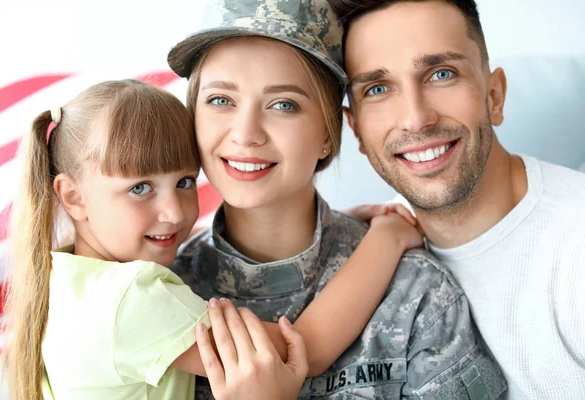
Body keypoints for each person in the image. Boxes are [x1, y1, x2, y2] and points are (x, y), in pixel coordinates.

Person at [0, 78, 424, 400]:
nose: (175, 212)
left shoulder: (67, 277)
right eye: (140, 188)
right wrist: (386, 238)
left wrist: (339, 221)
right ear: (72, 196)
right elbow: (302, 349)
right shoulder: (133, 298)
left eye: (184, 181)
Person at [168, 0, 507, 398]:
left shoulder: (415, 292)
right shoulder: (161, 292)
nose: (245, 134)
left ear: (329, 133)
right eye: (221, 100)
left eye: (284, 104)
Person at [327, 0, 585, 398]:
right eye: (377, 89)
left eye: (441, 74)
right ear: (356, 129)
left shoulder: (575, 248)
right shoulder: (365, 251)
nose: (416, 117)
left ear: (495, 95)